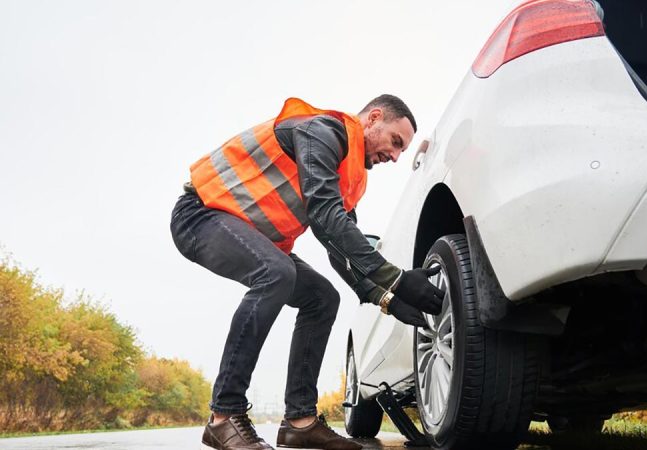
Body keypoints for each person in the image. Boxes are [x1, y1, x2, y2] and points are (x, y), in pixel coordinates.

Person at [170, 95, 445, 450]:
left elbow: (341, 249)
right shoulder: (323, 132)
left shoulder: (350, 178)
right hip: (200, 214)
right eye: (395, 142)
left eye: (400, 151)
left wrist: (387, 299)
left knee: (321, 297)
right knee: (277, 274)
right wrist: (399, 279)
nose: (394, 157)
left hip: (247, 234)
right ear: (373, 118)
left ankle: (299, 422)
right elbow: (325, 217)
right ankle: (224, 416)